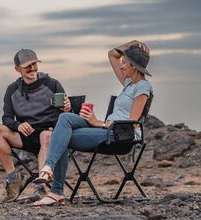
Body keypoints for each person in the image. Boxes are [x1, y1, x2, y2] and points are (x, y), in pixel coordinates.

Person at [32, 41, 153, 206]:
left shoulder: (143, 87)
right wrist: (133, 44)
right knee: (65, 118)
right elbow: (112, 53)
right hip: (107, 128)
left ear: (133, 66)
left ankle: (55, 191)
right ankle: (48, 169)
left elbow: (131, 124)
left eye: (124, 63)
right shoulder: (128, 83)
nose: (121, 66)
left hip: (119, 135)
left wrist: (98, 122)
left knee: (62, 137)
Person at [0, 49, 71, 203]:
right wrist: (18, 125)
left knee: (45, 135)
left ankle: (43, 187)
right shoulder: (12, 90)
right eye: (27, 66)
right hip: (25, 135)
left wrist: (67, 108)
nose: (32, 68)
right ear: (17, 69)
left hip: (49, 135)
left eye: (34, 64)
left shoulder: (52, 84)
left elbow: (67, 115)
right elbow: (6, 118)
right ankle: (13, 179)